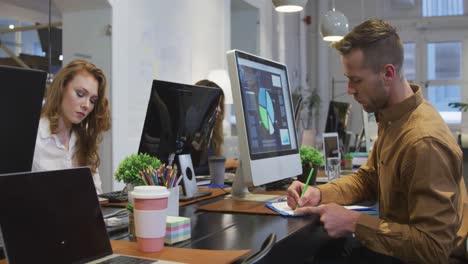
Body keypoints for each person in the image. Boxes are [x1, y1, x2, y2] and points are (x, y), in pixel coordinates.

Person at [288, 19, 467, 264]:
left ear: (388, 74)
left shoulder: (424, 141)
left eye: (356, 80)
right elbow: (368, 179)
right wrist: (319, 194)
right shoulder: (393, 118)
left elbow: (433, 247)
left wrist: (353, 222)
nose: (350, 89)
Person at [32, 60, 111, 194]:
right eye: (80, 94)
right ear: (62, 87)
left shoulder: (84, 139)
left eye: (93, 100)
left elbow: (96, 196)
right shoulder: (34, 137)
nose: (86, 105)